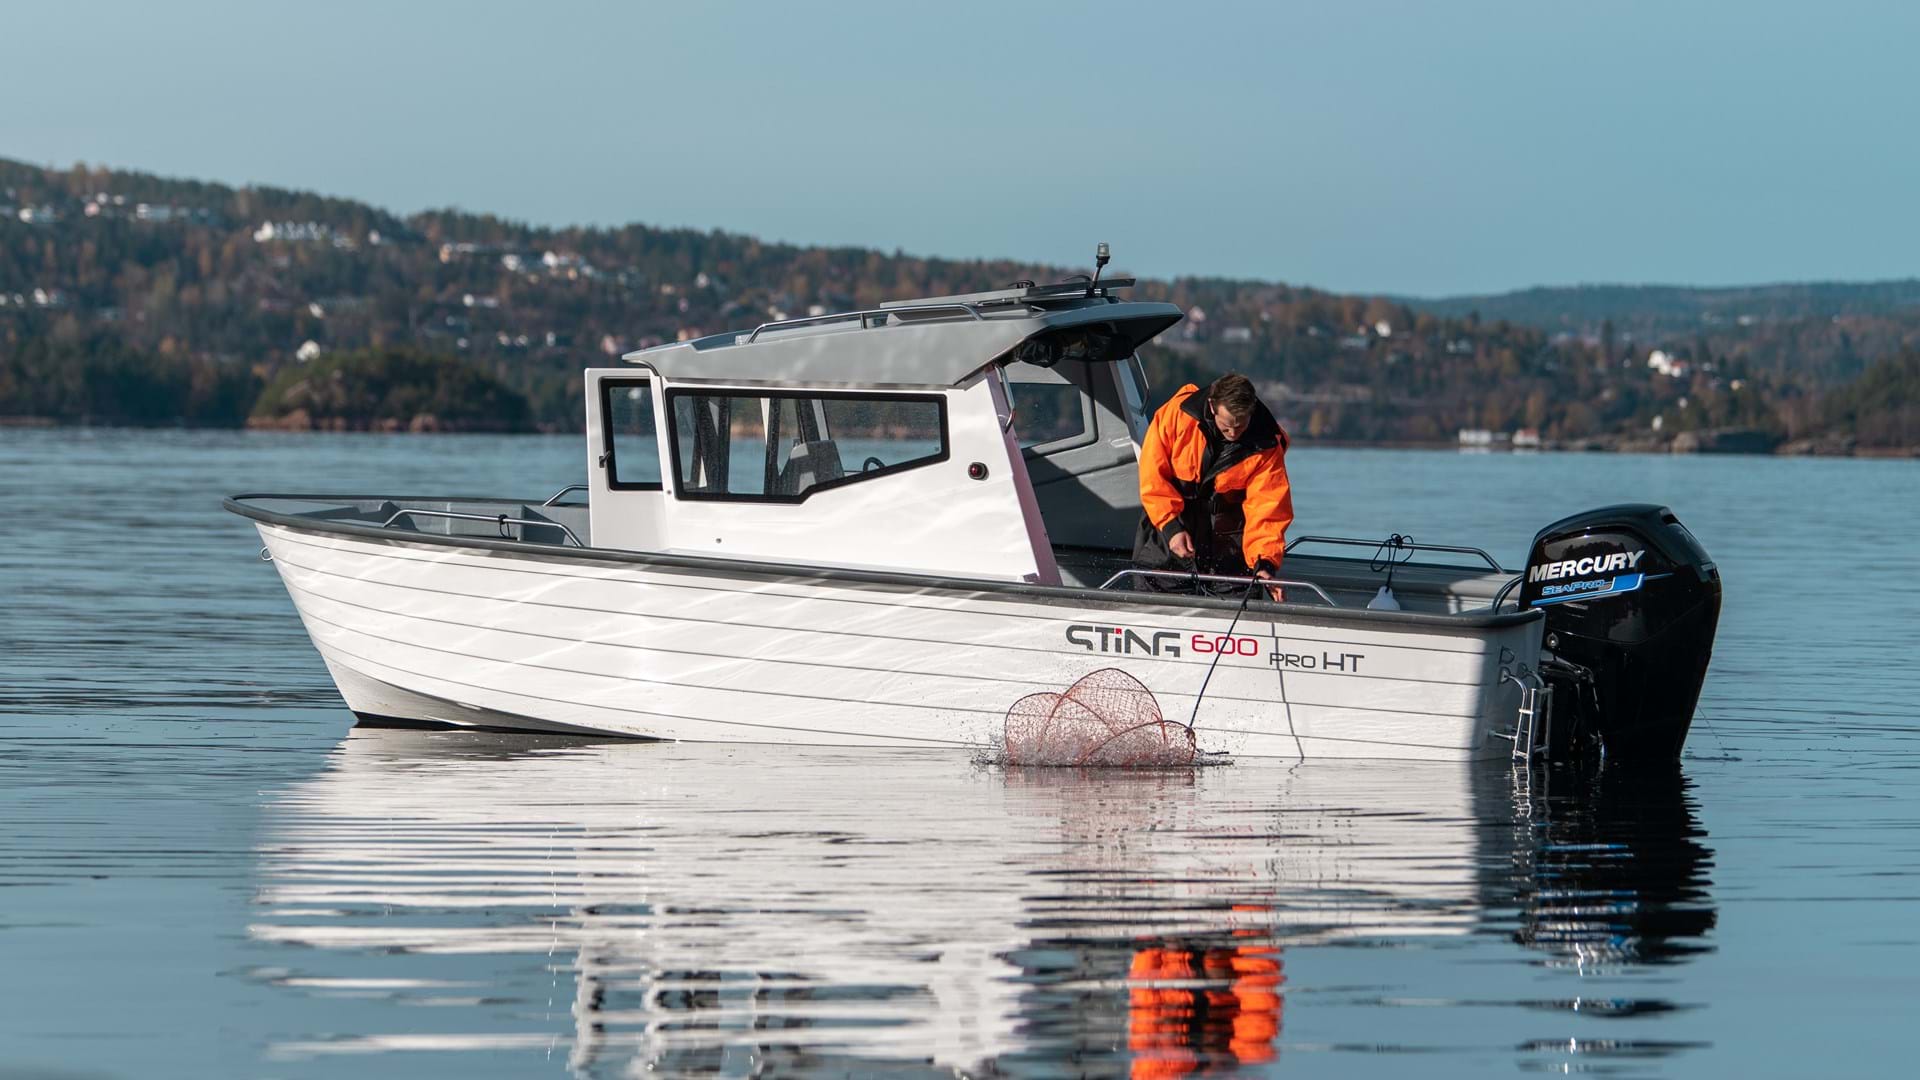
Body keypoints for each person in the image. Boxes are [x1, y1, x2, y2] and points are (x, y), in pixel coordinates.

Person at [1132, 373, 1293, 598]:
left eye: (1241, 425)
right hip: (1168, 538)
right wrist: (1171, 529)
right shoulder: (1176, 415)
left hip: (1230, 550)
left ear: (1252, 410)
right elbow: (1152, 478)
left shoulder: (1266, 444)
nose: (1234, 433)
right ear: (1212, 406)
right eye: (1227, 427)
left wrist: (1264, 564)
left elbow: (1268, 511)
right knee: (1155, 607)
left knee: (1239, 604)